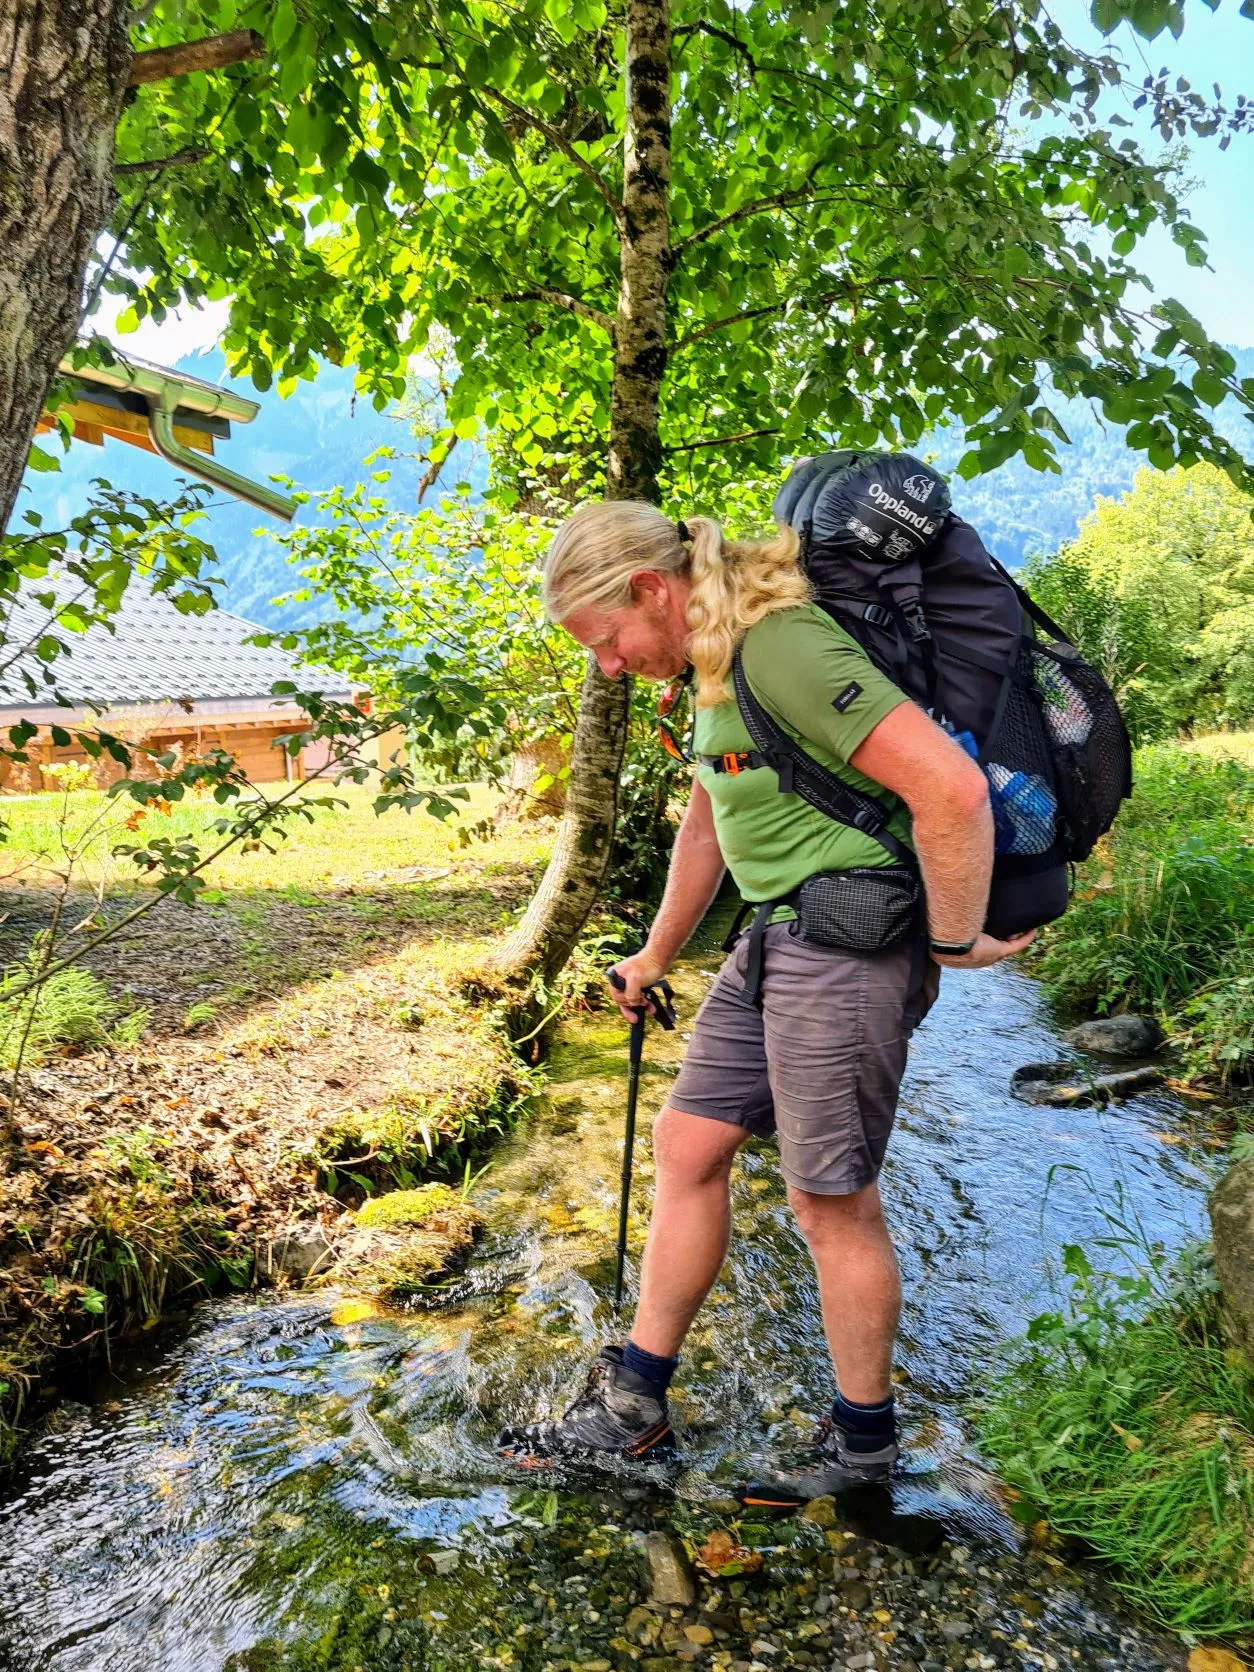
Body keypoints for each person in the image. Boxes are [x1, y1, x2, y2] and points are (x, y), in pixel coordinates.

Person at [498, 500, 1034, 1496]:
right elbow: (712, 825)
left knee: (829, 1201)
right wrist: (658, 954)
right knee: (688, 1144)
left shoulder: (779, 643)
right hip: (774, 939)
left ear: (652, 591)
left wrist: (956, 938)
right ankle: (634, 1405)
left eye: (607, 640)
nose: (609, 667)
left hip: (847, 946)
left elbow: (949, 790)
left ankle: (862, 1448)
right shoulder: (714, 669)